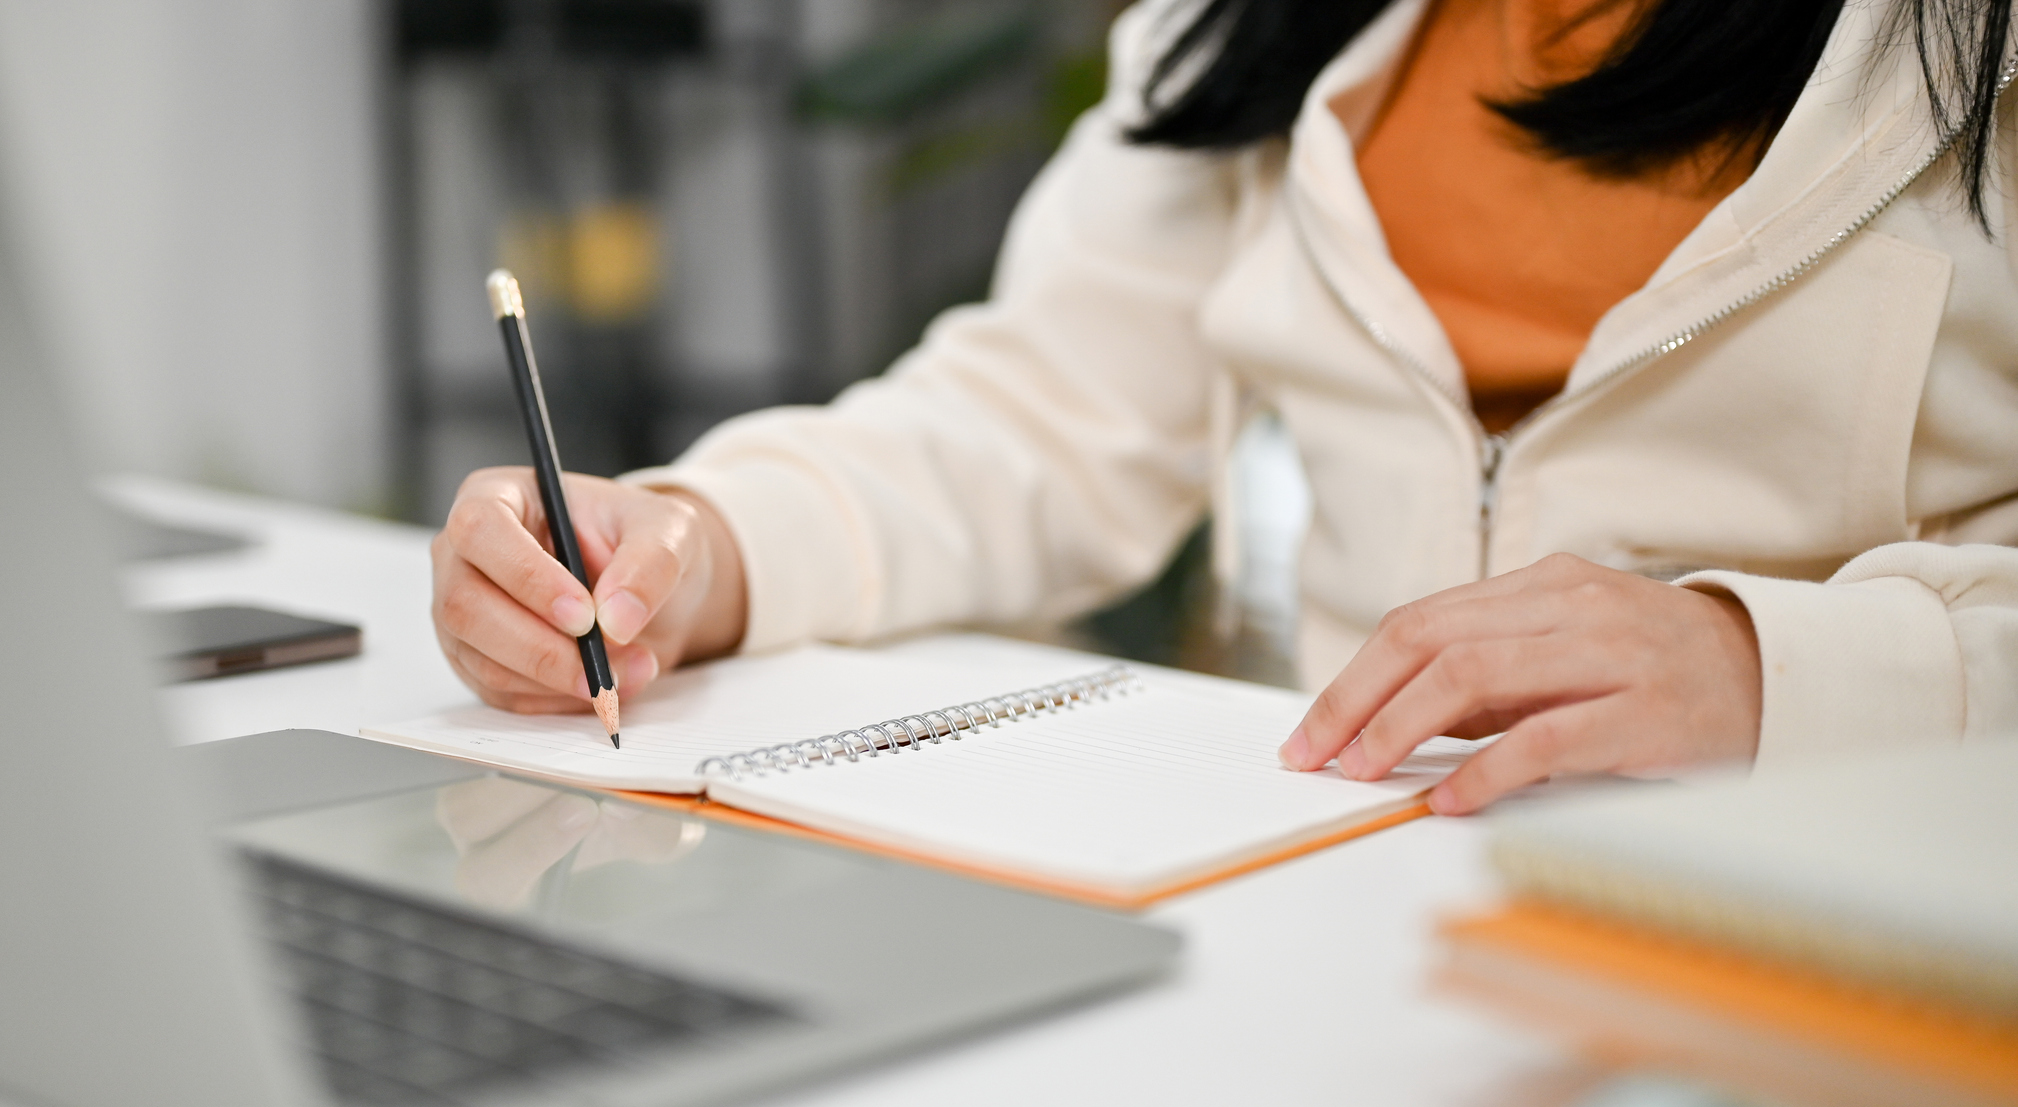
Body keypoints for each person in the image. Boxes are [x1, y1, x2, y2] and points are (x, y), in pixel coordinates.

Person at [431, 0, 2018, 814]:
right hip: (1359, 907)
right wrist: (690, 551)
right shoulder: (1249, 20)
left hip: (1872, 939)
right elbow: (1043, 413)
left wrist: (1771, 664)